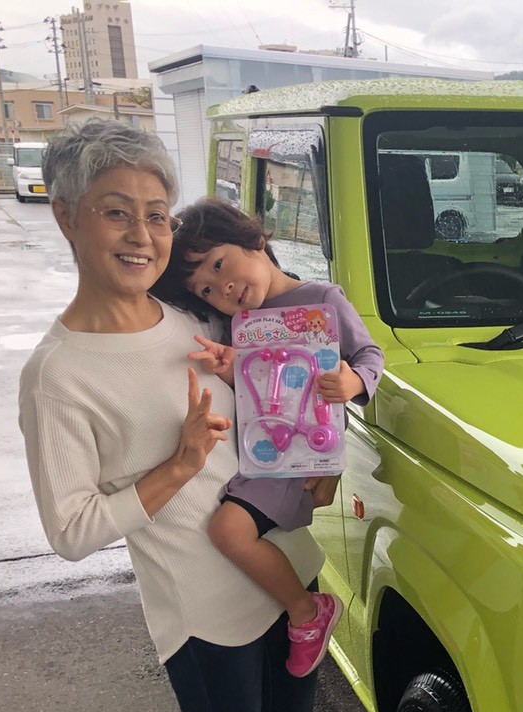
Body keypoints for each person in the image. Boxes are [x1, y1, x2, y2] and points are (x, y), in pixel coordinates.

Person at [18, 120, 349, 712]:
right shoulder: (59, 374)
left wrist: (314, 461)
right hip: (200, 606)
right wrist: (175, 468)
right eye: (115, 211)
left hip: (285, 569)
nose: (142, 233)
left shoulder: (199, 319)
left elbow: (281, 401)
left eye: (156, 213)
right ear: (66, 218)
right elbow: (71, 530)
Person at [152, 198, 383, 679]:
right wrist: (230, 370)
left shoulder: (323, 299)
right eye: (207, 289)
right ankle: (303, 606)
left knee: (228, 531)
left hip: (302, 453)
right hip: (266, 449)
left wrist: (354, 381)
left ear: (255, 240)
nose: (223, 287)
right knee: (231, 531)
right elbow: (262, 389)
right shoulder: (240, 326)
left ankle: (307, 610)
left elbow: (370, 355)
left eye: (219, 264)